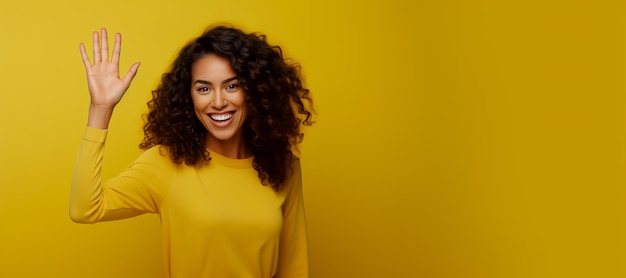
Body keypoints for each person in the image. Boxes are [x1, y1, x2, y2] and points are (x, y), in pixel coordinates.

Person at [69, 25, 313, 278]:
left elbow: (294, 267)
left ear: (255, 90)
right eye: (204, 89)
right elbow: (85, 208)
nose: (218, 102)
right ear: (189, 97)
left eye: (232, 86)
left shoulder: (283, 166)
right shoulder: (165, 163)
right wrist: (100, 109)